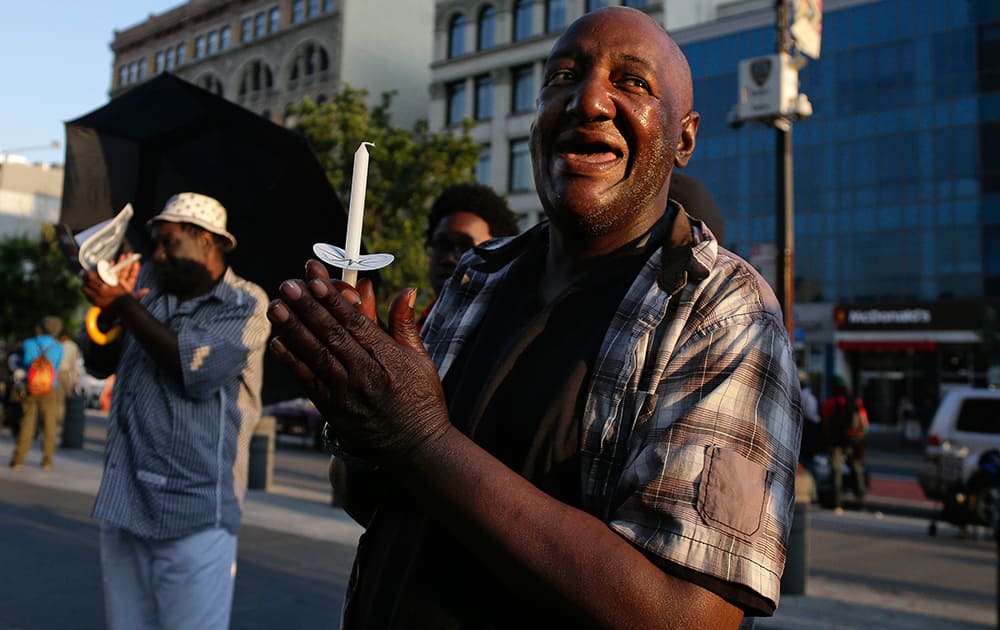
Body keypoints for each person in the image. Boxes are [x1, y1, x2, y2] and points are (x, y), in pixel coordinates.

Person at [267, 7, 801, 628]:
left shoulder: (720, 309)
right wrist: (357, 401)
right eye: (563, 77)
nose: (589, 101)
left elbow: (690, 616)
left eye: (632, 82)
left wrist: (420, 435)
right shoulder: (479, 276)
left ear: (684, 138)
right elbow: (377, 504)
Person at [80, 192, 270, 629]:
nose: (159, 255)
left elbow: (195, 369)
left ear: (207, 241)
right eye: (156, 245)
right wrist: (106, 315)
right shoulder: (145, 280)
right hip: (126, 501)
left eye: (170, 244)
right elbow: (97, 363)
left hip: (196, 514)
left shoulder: (246, 305)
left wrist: (123, 306)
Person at [419, 183, 520, 327]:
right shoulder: (416, 327)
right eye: (442, 244)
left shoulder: (509, 327)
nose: (449, 258)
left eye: (465, 247)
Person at [9, 316, 64, 471]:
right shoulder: (59, 347)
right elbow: (56, 368)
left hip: (30, 386)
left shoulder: (29, 344)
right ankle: (47, 461)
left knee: (27, 423)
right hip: (49, 388)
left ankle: (18, 460)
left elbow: (23, 363)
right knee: (49, 424)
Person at [821, 375, 868, 511]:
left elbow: (826, 422)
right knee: (856, 468)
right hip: (854, 440)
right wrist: (862, 440)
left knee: (836, 470)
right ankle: (860, 499)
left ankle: (838, 501)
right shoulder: (856, 402)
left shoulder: (831, 402)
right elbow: (864, 423)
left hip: (836, 441)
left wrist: (827, 440)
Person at [798, 369, 822, 460]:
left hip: (807, 427)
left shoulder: (805, 396)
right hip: (807, 426)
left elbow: (810, 415)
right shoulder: (807, 396)